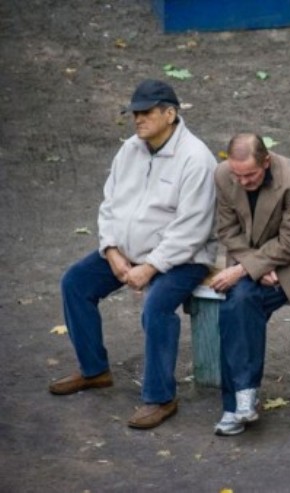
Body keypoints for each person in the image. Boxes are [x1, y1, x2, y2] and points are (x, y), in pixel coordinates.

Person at [48, 79, 218, 429]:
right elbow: (109, 203)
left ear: (170, 114)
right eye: (134, 113)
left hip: (184, 258)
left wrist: (151, 266)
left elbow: (193, 228)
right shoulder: (129, 149)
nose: (137, 119)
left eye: (146, 112)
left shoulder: (196, 158)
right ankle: (94, 370)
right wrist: (110, 248)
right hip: (126, 251)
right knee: (75, 283)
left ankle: (161, 397)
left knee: (156, 307)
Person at [209, 133, 290, 436]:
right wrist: (252, 267)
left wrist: (245, 269)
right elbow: (227, 230)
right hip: (250, 260)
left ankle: (235, 403)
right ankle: (242, 399)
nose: (243, 181)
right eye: (237, 175)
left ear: (266, 162)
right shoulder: (223, 174)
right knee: (238, 301)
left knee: (239, 305)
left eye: (250, 175)